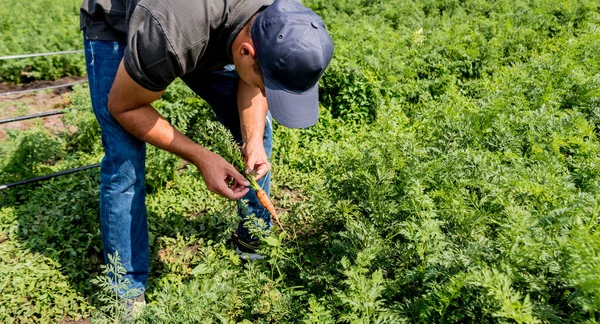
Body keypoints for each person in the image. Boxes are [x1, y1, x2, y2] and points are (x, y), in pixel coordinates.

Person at [79, 0, 334, 306]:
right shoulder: (169, 32)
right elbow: (125, 107)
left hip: (204, 27)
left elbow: (252, 79)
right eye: (268, 88)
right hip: (120, 20)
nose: (267, 95)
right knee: (125, 162)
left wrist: (251, 140)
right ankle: (126, 291)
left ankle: (253, 243)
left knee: (257, 129)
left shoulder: (279, 18)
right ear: (246, 51)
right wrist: (201, 156)